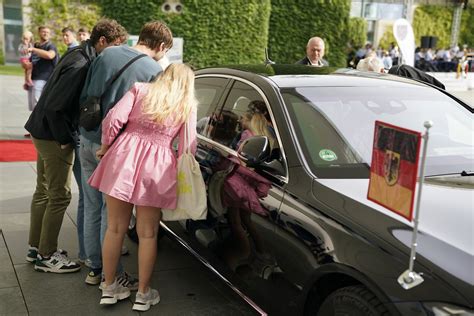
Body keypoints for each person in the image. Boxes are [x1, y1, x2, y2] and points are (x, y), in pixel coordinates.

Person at [88, 64, 197, 311]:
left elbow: (113, 119)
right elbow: (190, 146)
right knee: (148, 233)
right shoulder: (186, 104)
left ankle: (108, 286)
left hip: (123, 155)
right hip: (158, 165)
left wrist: (106, 146)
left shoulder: (140, 89)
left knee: (115, 228)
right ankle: (144, 294)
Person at [23, 19, 127, 274]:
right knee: (60, 196)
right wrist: (65, 140)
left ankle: (35, 248)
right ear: (102, 41)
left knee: (43, 192)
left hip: (41, 129)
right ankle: (47, 255)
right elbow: (55, 105)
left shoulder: (77, 52)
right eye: (115, 46)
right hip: (52, 135)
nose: (116, 52)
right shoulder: (82, 62)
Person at [79, 20, 173, 289]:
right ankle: (111, 276)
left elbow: (87, 92)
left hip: (86, 135)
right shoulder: (154, 70)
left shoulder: (108, 52)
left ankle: (92, 266)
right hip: (113, 149)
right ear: (162, 46)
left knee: (90, 205)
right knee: (113, 221)